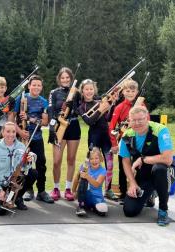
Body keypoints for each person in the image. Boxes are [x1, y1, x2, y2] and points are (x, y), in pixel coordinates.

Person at [119, 106, 174, 226]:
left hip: (161, 172)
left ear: (147, 118)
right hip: (143, 175)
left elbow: (168, 159)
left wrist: (144, 159)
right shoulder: (127, 136)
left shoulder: (161, 130)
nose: (137, 123)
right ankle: (149, 194)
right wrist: (132, 184)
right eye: (133, 120)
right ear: (129, 120)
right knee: (130, 211)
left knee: (159, 169)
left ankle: (163, 210)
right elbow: (126, 161)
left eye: (140, 119)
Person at [10, 75, 54, 204]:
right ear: (29, 86)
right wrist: (20, 132)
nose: (36, 87)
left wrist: (31, 119)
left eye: (38, 85)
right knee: (24, 165)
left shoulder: (44, 102)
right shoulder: (21, 99)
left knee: (41, 164)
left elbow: (45, 122)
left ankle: (41, 191)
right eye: (33, 85)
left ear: (41, 87)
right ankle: (28, 190)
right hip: (22, 139)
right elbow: (12, 119)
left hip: (37, 138)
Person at [77, 79, 117, 201]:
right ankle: (87, 187)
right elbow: (89, 121)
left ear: (94, 90)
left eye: (91, 89)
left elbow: (108, 118)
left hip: (106, 136)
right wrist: (101, 108)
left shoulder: (100, 101)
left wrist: (112, 105)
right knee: (91, 163)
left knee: (109, 165)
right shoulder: (81, 107)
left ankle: (108, 189)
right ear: (82, 91)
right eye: (86, 89)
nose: (89, 91)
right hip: (94, 136)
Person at [109, 78, 147, 202]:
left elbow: (147, 121)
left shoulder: (141, 105)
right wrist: (114, 144)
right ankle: (124, 193)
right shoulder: (119, 107)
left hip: (139, 141)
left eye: (132, 90)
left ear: (136, 92)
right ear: (123, 92)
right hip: (124, 141)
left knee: (139, 166)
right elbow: (112, 127)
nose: (130, 93)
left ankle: (140, 191)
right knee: (122, 167)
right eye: (127, 90)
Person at [0, 122, 37, 215]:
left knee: (33, 173)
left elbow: (24, 169)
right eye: (8, 131)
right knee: (1, 211)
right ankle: (5, 197)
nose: (11, 134)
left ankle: (17, 197)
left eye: (13, 131)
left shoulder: (21, 147)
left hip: (14, 183)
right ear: (3, 132)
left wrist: (28, 162)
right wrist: (0, 190)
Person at [48, 67, 81, 201]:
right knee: (56, 161)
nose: (65, 80)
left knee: (71, 159)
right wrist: (51, 126)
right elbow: (50, 109)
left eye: (67, 77)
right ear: (59, 79)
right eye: (63, 78)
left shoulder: (77, 93)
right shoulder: (54, 92)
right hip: (58, 126)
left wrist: (73, 105)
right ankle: (56, 188)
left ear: (71, 78)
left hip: (73, 126)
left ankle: (67, 188)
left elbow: (80, 110)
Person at [75, 147, 108, 217]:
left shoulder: (103, 170)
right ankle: (80, 205)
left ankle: (93, 207)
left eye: (96, 158)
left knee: (103, 210)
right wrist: (73, 191)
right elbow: (76, 178)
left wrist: (87, 176)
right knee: (83, 179)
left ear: (101, 159)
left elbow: (97, 184)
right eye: (91, 159)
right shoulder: (84, 167)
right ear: (88, 160)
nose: (94, 161)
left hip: (97, 197)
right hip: (86, 195)